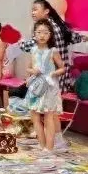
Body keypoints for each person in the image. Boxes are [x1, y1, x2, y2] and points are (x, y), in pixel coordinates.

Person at [26, 19, 65, 152]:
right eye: (39, 32)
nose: (42, 35)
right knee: (34, 116)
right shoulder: (33, 50)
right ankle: (42, 145)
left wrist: (52, 74)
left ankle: (49, 148)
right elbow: (29, 68)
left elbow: (62, 68)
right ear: (34, 34)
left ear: (50, 35)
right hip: (35, 87)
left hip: (49, 86)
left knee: (49, 116)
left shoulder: (53, 51)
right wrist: (33, 72)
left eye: (45, 33)